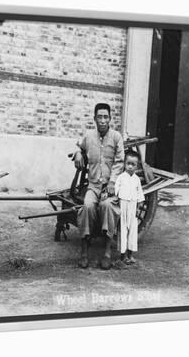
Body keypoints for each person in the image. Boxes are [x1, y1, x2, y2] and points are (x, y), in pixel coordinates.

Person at [72, 103, 124, 270]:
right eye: (99, 117)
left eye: (106, 117)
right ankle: (84, 252)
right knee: (86, 206)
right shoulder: (89, 136)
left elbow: (120, 162)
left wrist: (112, 182)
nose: (102, 120)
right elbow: (78, 146)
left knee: (108, 206)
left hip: (110, 187)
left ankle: (107, 252)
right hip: (93, 186)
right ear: (94, 119)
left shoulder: (116, 137)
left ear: (110, 119)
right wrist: (79, 153)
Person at [115, 151, 145, 264]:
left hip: (133, 206)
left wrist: (139, 205)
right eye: (128, 163)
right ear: (124, 163)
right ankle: (122, 255)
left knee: (132, 230)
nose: (130, 166)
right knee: (122, 229)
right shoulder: (121, 178)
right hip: (123, 206)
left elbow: (140, 193)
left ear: (137, 166)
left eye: (133, 164)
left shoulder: (137, 179)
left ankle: (130, 254)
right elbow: (116, 191)